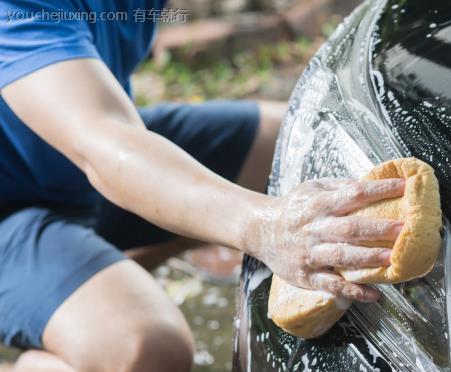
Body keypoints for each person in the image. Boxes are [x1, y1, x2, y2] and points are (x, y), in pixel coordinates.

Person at [0, 1, 404, 371]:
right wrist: (266, 224)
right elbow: (104, 145)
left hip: (69, 157)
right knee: (146, 347)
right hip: (28, 198)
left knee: (310, 136)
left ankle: (100, 273)